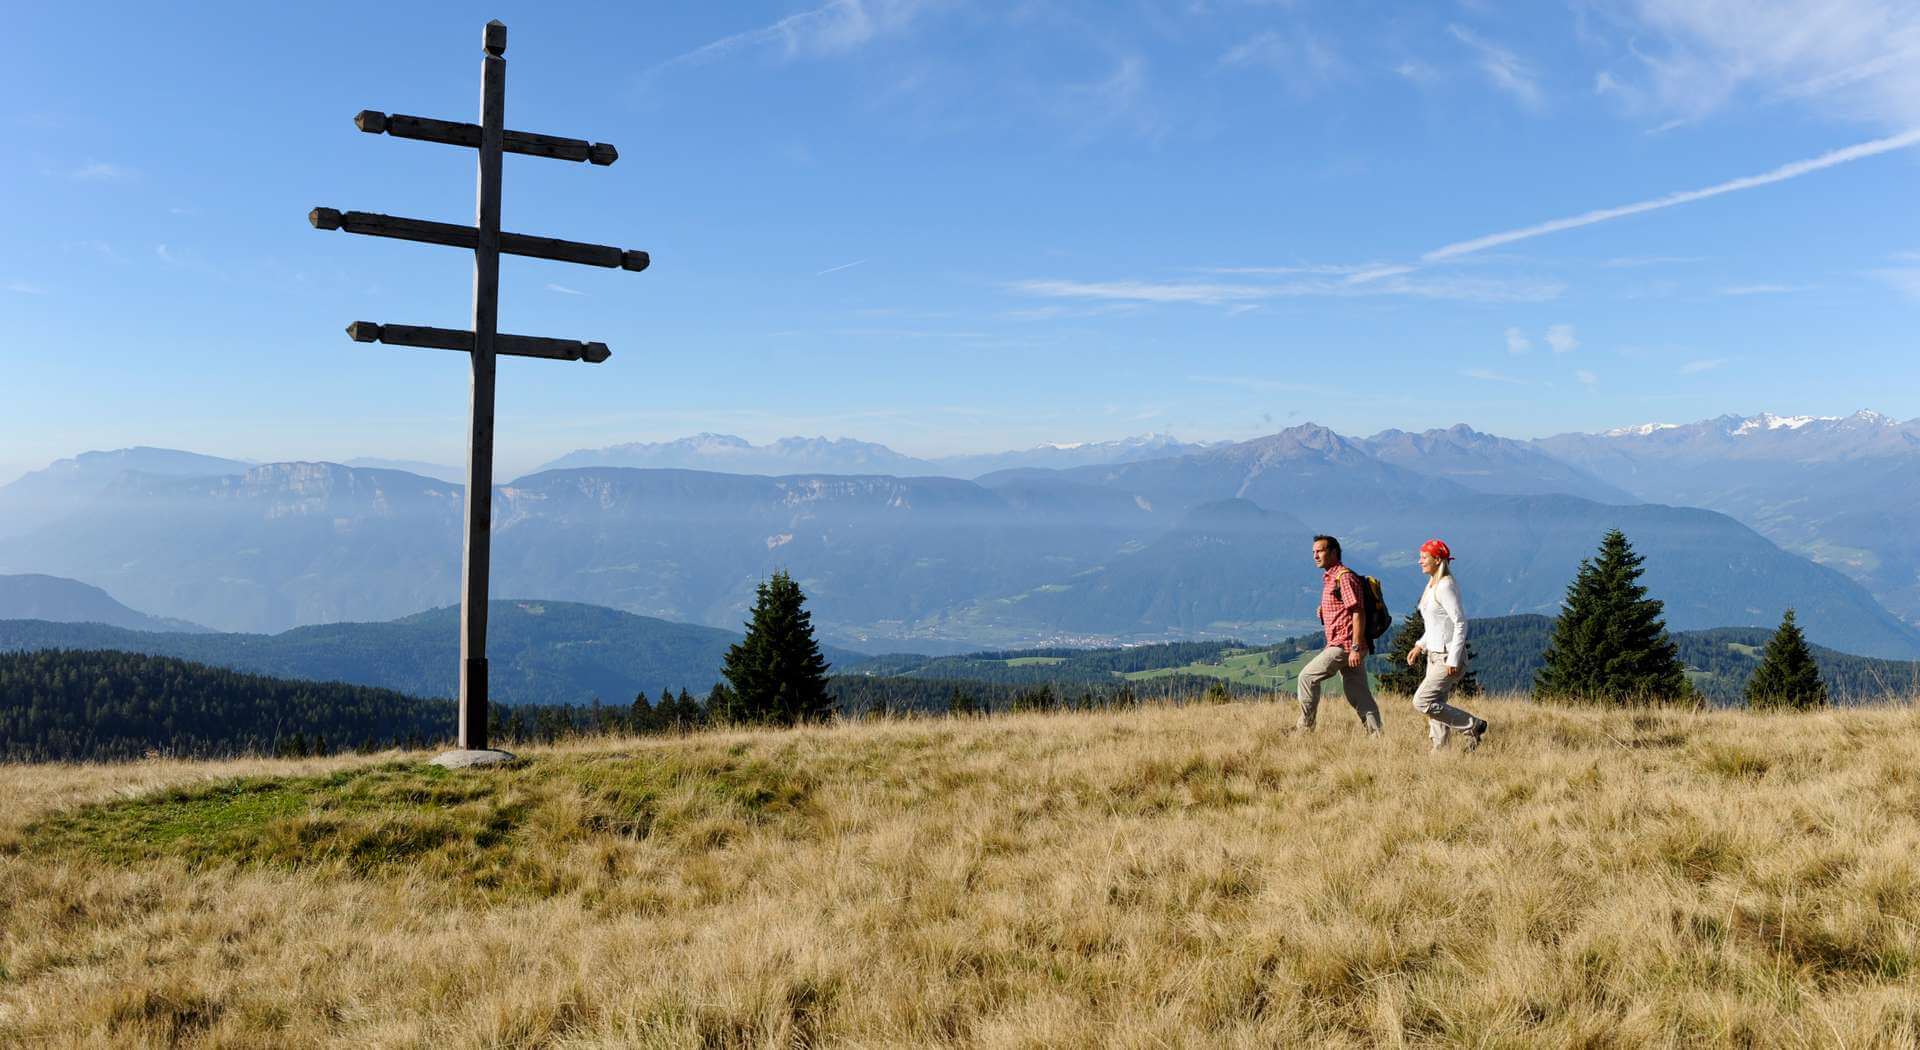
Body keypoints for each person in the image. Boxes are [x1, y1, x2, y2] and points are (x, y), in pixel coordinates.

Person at [1406, 538, 1489, 752]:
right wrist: (1419, 646)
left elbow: (1460, 622)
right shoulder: (1433, 582)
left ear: (1437, 559)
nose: (1419, 561)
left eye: (1424, 557)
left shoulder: (1445, 586)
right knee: (1436, 706)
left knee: (1422, 702)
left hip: (1446, 657)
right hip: (1434, 655)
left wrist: (1453, 658)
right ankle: (1440, 752)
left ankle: (1473, 726)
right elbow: (1435, 625)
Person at [1296, 534, 1383, 735]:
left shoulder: (1343, 578)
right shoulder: (1331, 578)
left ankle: (1304, 729)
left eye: (1320, 551)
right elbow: (1345, 609)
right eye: (1313, 552)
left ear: (1334, 552)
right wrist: (1324, 611)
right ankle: (1377, 737)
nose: (1315, 556)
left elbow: (1357, 611)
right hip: (1348, 645)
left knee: (1307, 678)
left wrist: (1354, 647)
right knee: (1359, 694)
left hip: (1344, 645)